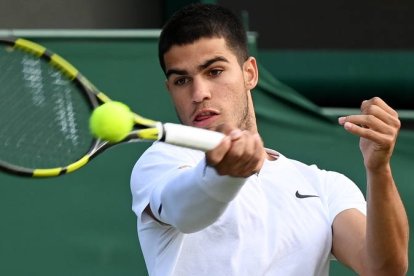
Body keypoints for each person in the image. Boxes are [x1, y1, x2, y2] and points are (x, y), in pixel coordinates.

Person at [131, 3, 408, 276]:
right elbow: (183, 211)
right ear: (170, 89)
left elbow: (384, 269)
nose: (199, 93)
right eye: (182, 81)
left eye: (214, 72)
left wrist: (379, 169)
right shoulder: (162, 162)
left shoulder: (324, 187)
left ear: (249, 73)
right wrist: (223, 176)